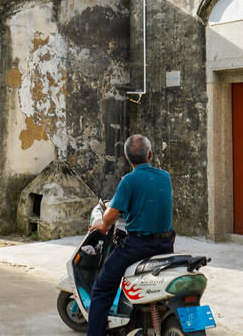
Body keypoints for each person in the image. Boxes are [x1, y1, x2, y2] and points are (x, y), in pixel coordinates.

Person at [86, 134, 174, 336]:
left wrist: (101, 223)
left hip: (138, 247)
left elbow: (110, 217)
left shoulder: (129, 180)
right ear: (150, 155)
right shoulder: (165, 176)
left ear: (127, 157)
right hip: (166, 245)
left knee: (101, 290)